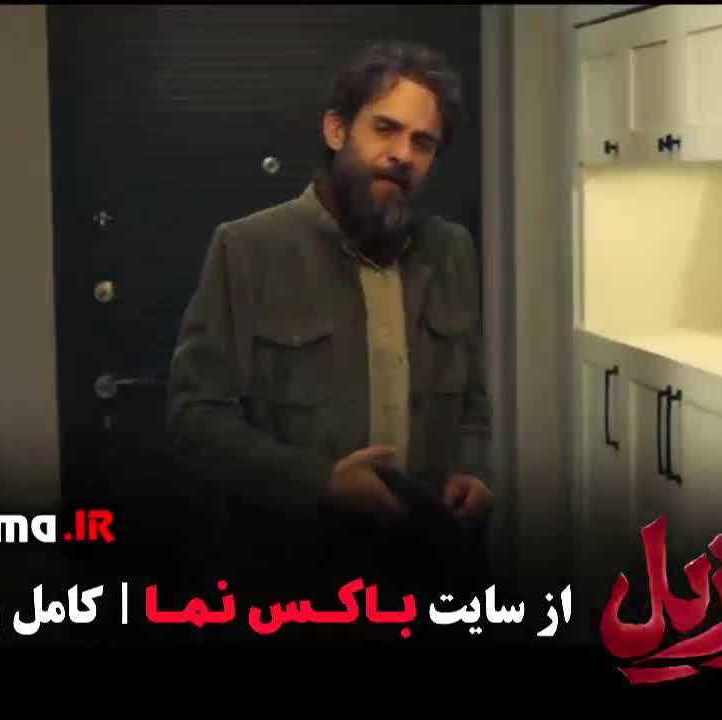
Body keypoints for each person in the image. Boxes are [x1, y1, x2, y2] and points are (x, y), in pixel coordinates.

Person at [166, 40, 492, 610]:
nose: (402, 154)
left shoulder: (452, 251)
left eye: (423, 142)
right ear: (337, 130)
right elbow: (195, 417)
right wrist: (319, 484)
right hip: (295, 582)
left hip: (427, 578)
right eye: (385, 129)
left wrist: (472, 470)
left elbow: (473, 400)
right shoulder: (248, 249)